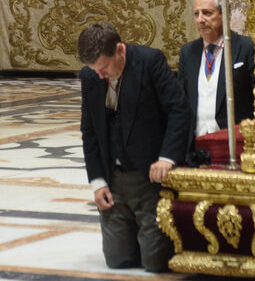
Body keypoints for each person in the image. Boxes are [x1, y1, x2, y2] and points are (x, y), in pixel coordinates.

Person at [77, 22, 191, 273]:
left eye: (104, 68)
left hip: (148, 178)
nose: (99, 75)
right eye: (94, 70)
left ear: (119, 49)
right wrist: (97, 182)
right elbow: (90, 132)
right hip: (114, 179)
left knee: (155, 263)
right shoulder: (90, 76)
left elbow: (179, 110)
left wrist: (167, 158)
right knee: (117, 260)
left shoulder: (150, 62)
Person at [177, 0, 255, 144]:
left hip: (235, 143)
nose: (200, 19)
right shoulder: (188, 52)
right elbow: (181, 100)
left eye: (207, 13)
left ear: (223, 15)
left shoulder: (247, 47)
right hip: (196, 144)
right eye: (196, 14)